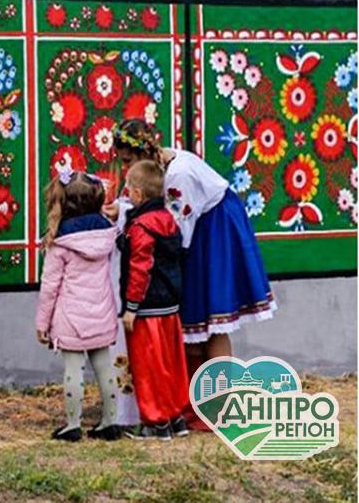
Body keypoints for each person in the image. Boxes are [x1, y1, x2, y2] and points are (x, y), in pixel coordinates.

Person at [106, 119, 275, 385]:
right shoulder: (157, 165)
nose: (126, 166)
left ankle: (220, 400)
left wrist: (130, 219)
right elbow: (143, 199)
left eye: (127, 160)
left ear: (141, 152)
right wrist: (121, 207)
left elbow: (172, 229)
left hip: (213, 231)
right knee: (194, 318)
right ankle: (196, 394)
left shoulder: (178, 174)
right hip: (195, 229)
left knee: (212, 319)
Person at [35, 170, 121, 442]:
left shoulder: (59, 243)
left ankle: (73, 424)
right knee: (104, 367)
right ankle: (110, 422)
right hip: (102, 312)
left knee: (74, 369)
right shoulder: (107, 234)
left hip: (71, 318)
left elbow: (50, 288)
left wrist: (42, 324)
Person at [117, 161, 189, 441]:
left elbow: (139, 269)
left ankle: (155, 422)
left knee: (148, 366)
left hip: (147, 309)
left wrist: (131, 308)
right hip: (170, 306)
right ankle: (176, 417)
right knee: (171, 363)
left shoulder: (141, 227)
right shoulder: (169, 220)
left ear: (135, 194)